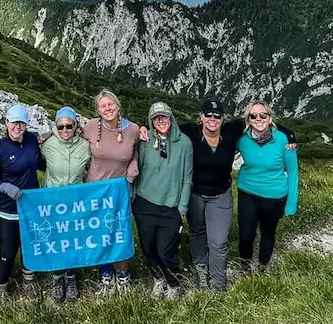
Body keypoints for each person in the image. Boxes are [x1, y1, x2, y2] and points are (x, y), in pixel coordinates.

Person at [180, 98, 297, 291]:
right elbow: (166, 127)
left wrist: (290, 134)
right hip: (232, 192)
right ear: (201, 116)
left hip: (260, 195)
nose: (212, 118)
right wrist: (143, 130)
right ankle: (232, 268)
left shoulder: (278, 140)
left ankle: (236, 277)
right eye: (208, 114)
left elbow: (292, 169)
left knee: (256, 235)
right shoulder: (236, 138)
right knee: (239, 234)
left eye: (217, 115)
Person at [133, 102, 193, 299]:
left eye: (164, 116)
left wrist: (181, 208)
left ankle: (174, 283)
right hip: (144, 203)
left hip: (171, 206)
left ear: (171, 118)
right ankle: (158, 279)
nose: (161, 121)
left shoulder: (184, 143)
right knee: (148, 247)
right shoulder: (145, 140)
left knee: (166, 250)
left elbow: (187, 178)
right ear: (151, 122)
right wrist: (134, 198)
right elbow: (137, 168)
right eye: (156, 118)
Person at [83, 89, 140, 296]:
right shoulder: (91, 127)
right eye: (103, 106)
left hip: (119, 192)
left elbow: (137, 150)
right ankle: (106, 275)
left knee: (119, 233)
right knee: (101, 234)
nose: (107, 109)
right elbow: (70, 138)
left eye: (110, 104)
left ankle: (123, 276)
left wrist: (132, 169)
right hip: (95, 191)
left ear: (118, 105)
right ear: (98, 110)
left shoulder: (133, 129)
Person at [0, 103, 45, 304]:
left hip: (29, 208)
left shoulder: (31, 140)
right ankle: (1, 288)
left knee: (30, 246)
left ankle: (28, 280)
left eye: (21, 123)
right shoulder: (0, 149)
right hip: (6, 210)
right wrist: (5, 187)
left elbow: (40, 163)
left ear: (26, 124)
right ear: (6, 122)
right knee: (8, 251)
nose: (17, 127)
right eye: (13, 122)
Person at [236, 100, 299, 271]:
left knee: (268, 233)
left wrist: (291, 204)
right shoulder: (242, 139)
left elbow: (293, 172)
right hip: (247, 191)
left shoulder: (285, 140)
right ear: (248, 120)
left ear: (270, 118)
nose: (258, 118)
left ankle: (263, 266)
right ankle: (245, 265)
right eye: (253, 115)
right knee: (246, 235)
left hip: (274, 195)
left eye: (263, 115)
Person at [41, 106, 91, 302]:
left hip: (75, 203)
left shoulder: (85, 146)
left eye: (69, 126)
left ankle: (70, 277)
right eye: (60, 126)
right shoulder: (47, 145)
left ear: (75, 125)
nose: (65, 130)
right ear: (55, 126)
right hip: (52, 202)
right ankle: (57, 277)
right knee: (55, 241)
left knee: (71, 241)